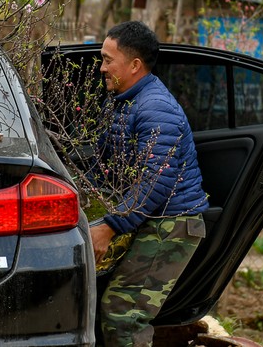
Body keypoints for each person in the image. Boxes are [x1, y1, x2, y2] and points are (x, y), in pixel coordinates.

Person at [89, 20, 208, 347]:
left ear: (134, 65)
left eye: (107, 60)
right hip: (148, 218)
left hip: (172, 224)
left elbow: (153, 183)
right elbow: (105, 168)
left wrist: (108, 227)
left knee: (122, 311)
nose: (101, 68)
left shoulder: (155, 108)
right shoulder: (122, 101)